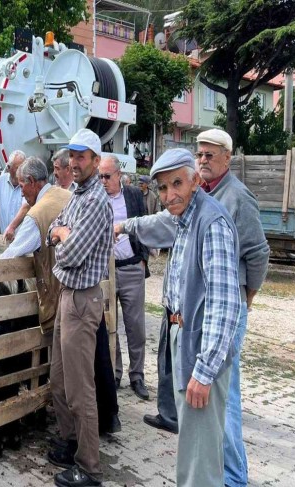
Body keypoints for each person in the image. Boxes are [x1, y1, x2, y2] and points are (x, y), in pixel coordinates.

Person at [115, 148, 240, 487]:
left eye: (177, 184)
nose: (170, 195)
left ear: (196, 181)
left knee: (200, 461)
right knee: (192, 445)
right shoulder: (184, 217)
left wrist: (204, 372)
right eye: (163, 188)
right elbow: (156, 224)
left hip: (201, 350)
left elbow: (224, 304)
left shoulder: (210, 223)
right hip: (184, 337)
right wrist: (123, 226)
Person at [0, 157, 121, 436]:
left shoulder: (38, 214)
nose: (21, 193)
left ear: (32, 183)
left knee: (71, 373)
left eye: (23, 186)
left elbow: (12, 254)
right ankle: (109, 416)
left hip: (66, 293)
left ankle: (77, 438)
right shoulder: (66, 195)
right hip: (92, 289)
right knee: (98, 353)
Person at [196, 128, 270, 487]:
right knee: (212, 393)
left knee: (225, 395)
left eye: (210, 155)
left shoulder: (238, 196)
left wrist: (246, 298)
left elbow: (258, 253)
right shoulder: (204, 193)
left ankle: (235, 478)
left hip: (229, 309)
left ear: (227, 157)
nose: (203, 161)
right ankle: (220, 471)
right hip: (206, 309)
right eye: (200, 155)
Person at [47, 128, 113, 487]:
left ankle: (89, 467)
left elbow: (70, 253)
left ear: (95, 160)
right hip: (67, 295)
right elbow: (54, 232)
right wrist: (61, 233)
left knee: (79, 387)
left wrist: (62, 237)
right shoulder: (76, 194)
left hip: (82, 298)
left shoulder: (96, 202)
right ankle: (70, 442)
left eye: (81, 156)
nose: (74, 162)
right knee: (59, 379)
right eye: (71, 156)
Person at [98, 155, 150, 400]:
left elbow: (146, 226)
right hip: (106, 271)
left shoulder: (133, 195)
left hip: (131, 268)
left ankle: (137, 375)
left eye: (107, 176)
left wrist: (143, 258)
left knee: (135, 325)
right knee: (110, 324)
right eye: (100, 176)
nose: (103, 181)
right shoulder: (96, 199)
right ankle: (115, 373)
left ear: (119, 175)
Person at [3, 149, 76, 242]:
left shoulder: (77, 193)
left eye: (57, 168)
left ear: (68, 169)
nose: (54, 173)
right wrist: (12, 226)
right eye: (53, 168)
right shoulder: (52, 190)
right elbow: (26, 206)